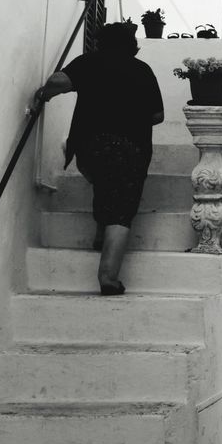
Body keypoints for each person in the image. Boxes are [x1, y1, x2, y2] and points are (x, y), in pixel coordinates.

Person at [30, 21, 164, 295]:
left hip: (90, 147)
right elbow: (157, 116)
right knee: (122, 209)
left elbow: (58, 81)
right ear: (133, 46)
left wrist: (45, 95)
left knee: (105, 182)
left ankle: (101, 234)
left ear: (100, 41)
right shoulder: (143, 70)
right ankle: (108, 277)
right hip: (131, 149)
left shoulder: (89, 62)